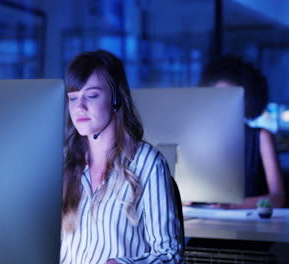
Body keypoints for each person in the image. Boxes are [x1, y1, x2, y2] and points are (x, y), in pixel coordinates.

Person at [59, 50, 183, 264]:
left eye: (92, 95)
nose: (79, 107)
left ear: (116, 98)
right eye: (73, 98)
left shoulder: (148, 163)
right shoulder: (63, 162)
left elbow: (170, 256)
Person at [199, 55, 286, 209]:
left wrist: (230, 205)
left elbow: (278, 198)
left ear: (246, 100)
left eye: (229, 97)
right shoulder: (201, 139)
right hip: (206, 224)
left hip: (248, 228)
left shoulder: (260, 137)